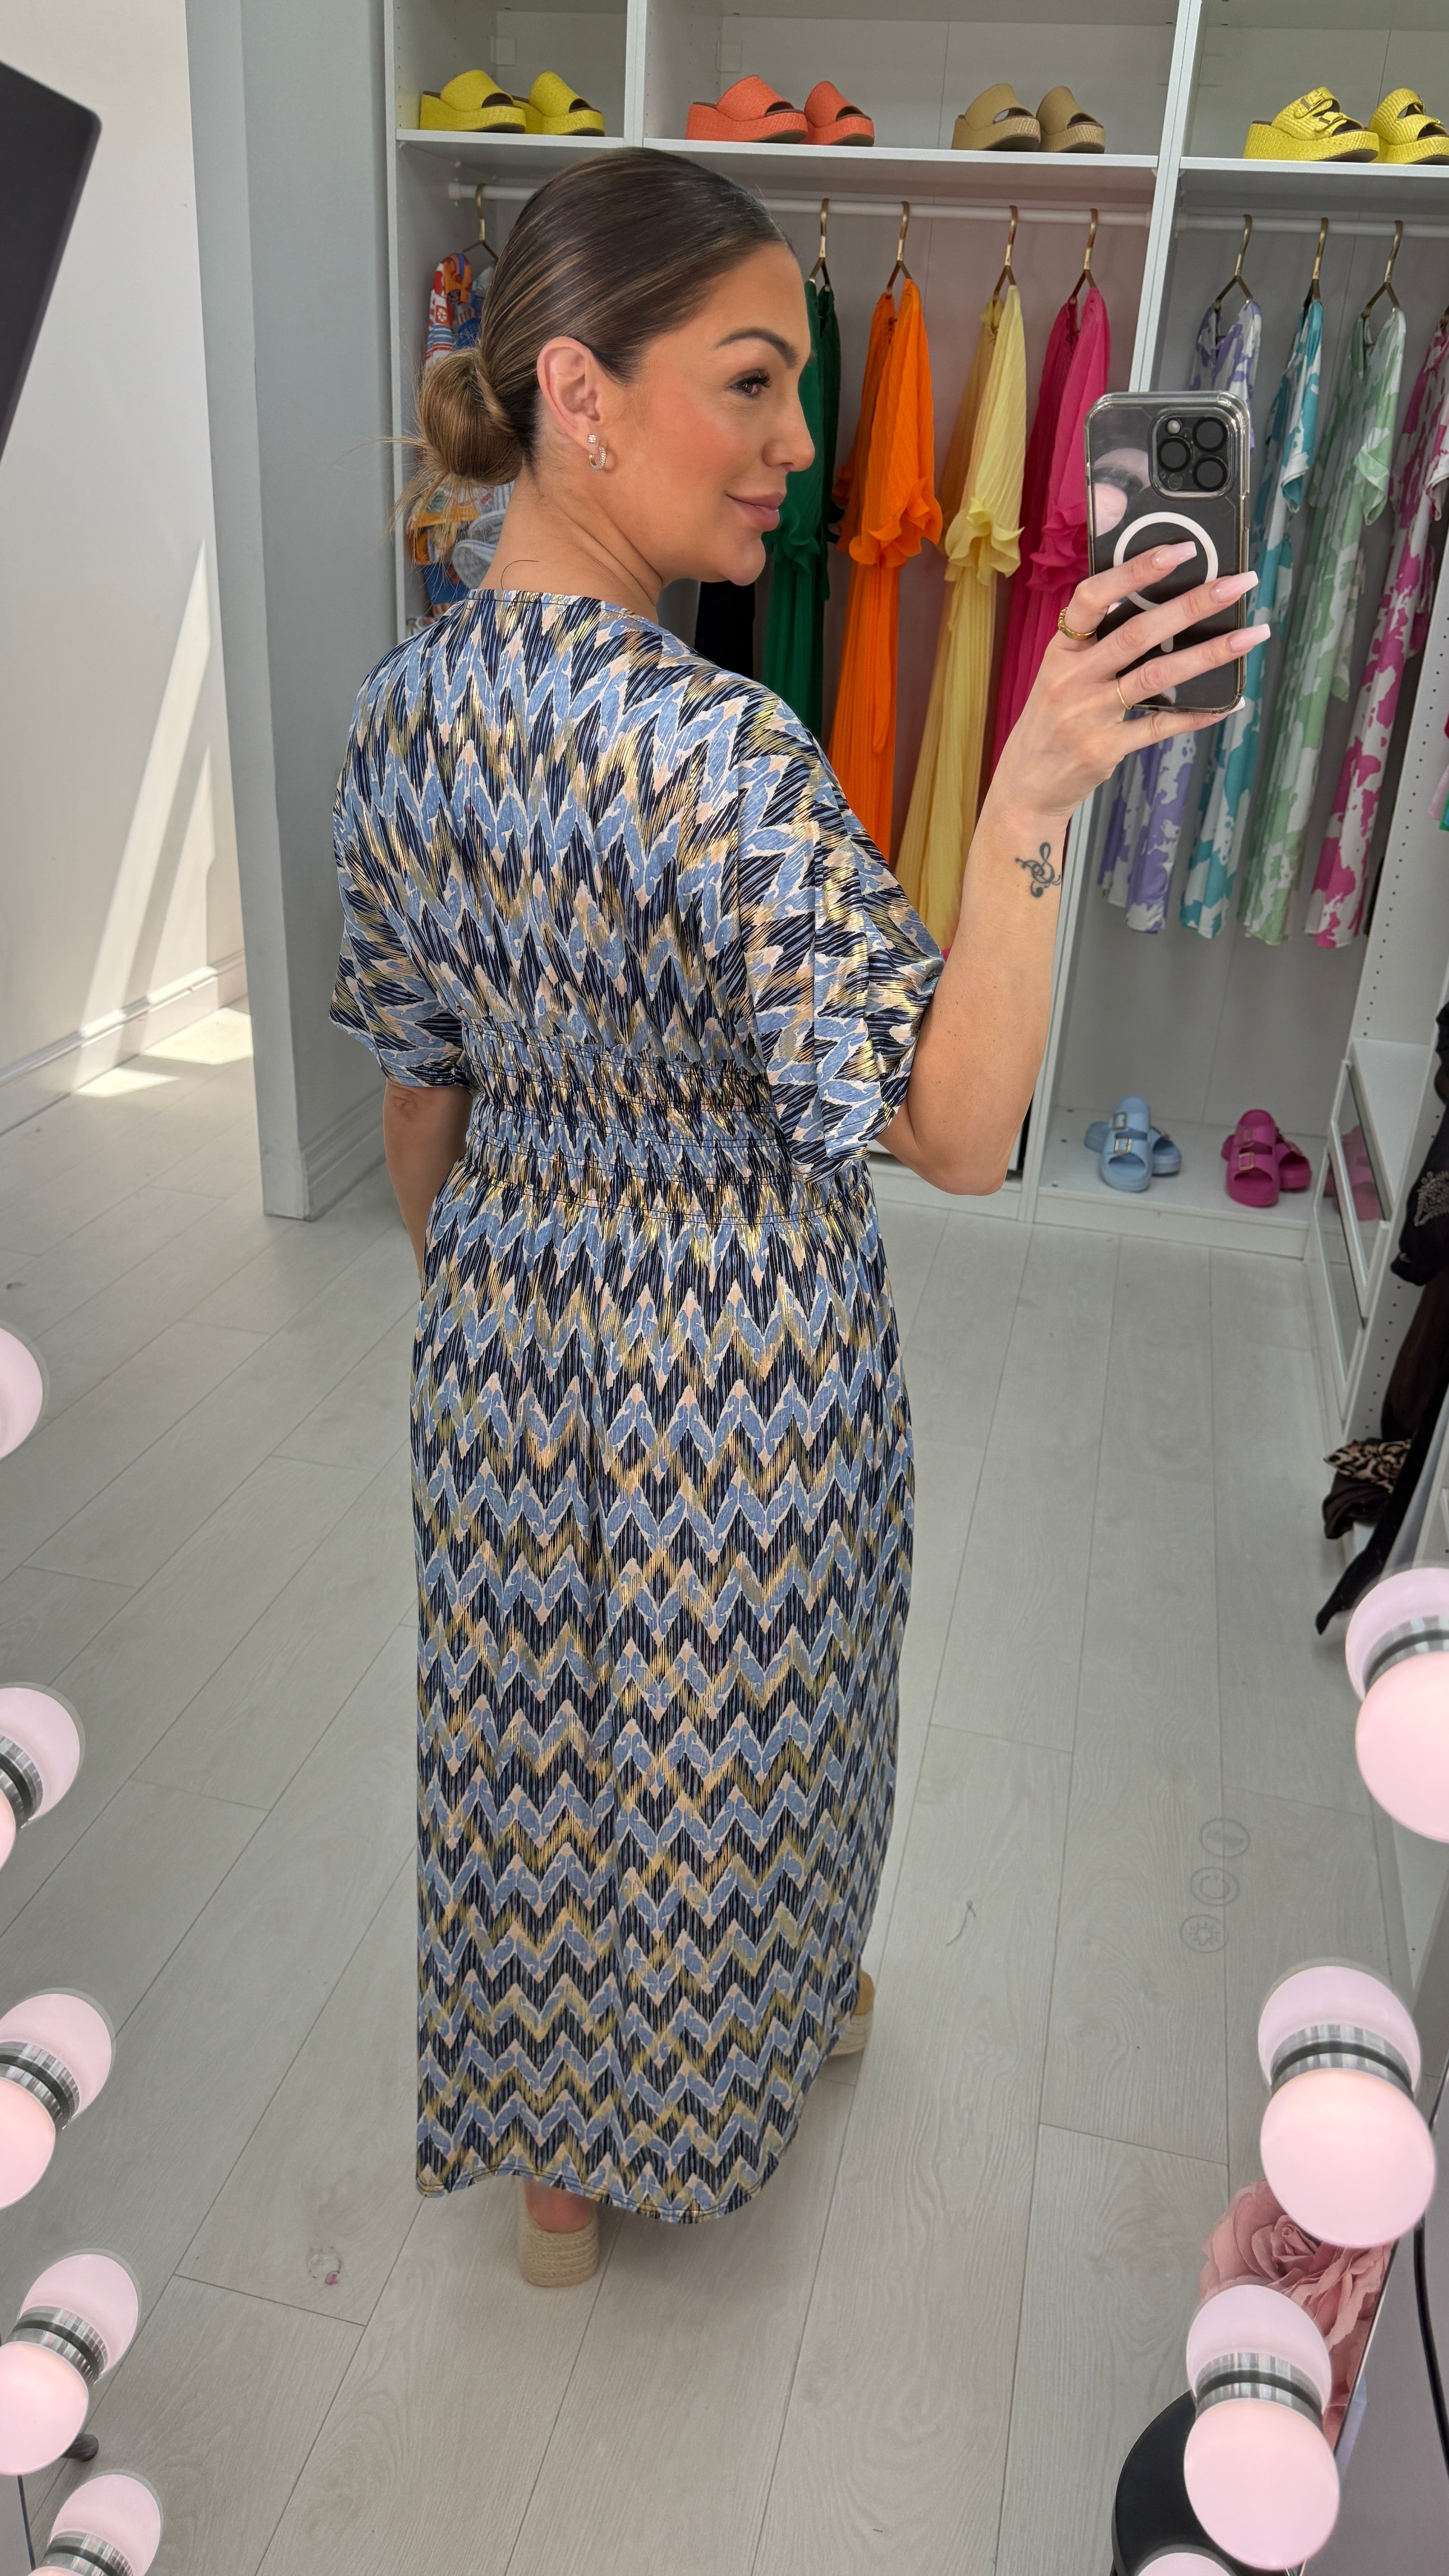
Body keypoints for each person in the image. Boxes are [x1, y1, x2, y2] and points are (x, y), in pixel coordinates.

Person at [329, 149, 1267, 2286]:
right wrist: (1032, 793)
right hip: (742, 1360)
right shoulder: (721, 754)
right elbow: (959, 1131)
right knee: (748, 1742)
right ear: (582, 390)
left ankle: (553, 2181)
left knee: (532, 1743)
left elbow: (415, 1094)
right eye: (749, 381)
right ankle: (761, 2038)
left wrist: (495, 1301)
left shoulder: (397, 720)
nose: (798, 440)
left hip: (501, 1324)